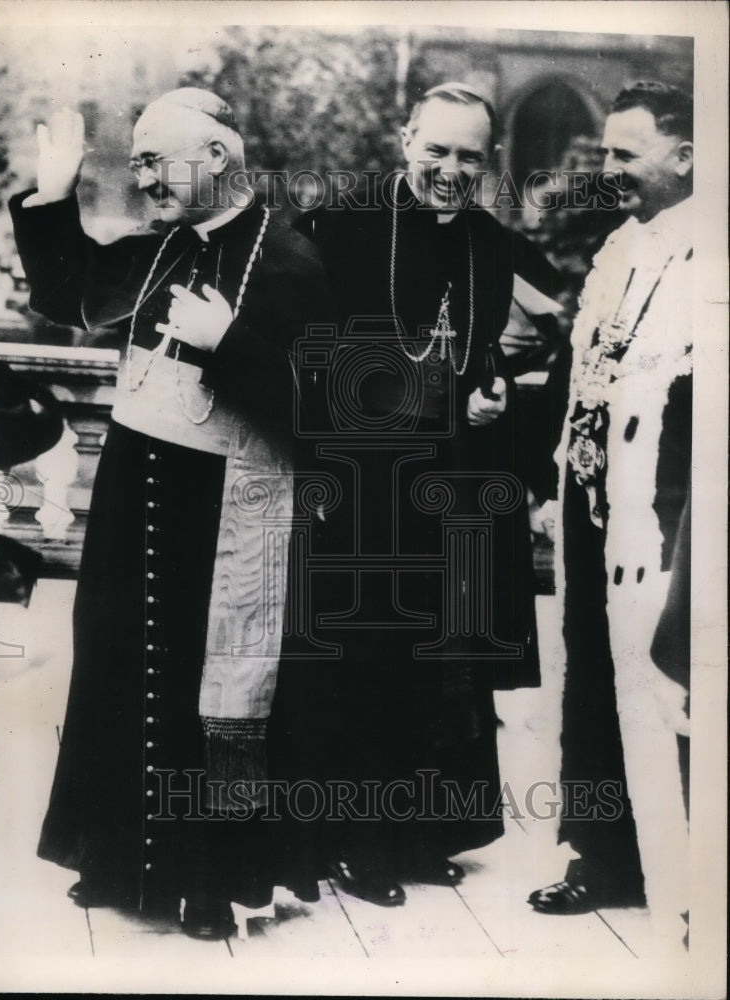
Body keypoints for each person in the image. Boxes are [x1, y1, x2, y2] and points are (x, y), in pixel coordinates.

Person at [9, 88, 332, 939]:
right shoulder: (164, 249)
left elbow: (331, 410)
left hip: (220, 509)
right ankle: (113, 857)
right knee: (116, 665)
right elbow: (70, 295)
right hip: (131, 489)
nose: (143, 176)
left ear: (218, 157)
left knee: (204, 690)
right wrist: (54, 197)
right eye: (139, 161)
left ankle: (209, 881)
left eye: (158, 159)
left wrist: (232, 344)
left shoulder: (295, 260)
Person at [276, 82, 558, 906]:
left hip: (451, 486)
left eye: (470, 156)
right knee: (368, 663)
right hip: (359, 484)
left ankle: (426, 831)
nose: (450, 170)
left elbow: (481, 353)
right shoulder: (339, 225)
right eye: (436, 150)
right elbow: (299, 350)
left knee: (443, 668)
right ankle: (358, 841)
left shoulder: (491, 244)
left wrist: (489, 390)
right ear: (406, 139)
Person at [528, 82, 693, 945]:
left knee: (668, 687)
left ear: (687, 156)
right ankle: (602, 855)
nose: (608, 170)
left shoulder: (715, 258)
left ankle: (683, 866)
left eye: (626, 154)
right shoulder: (623, 249)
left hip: (673, 522)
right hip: (594, 507)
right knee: (590, 680)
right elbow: (579, 370)